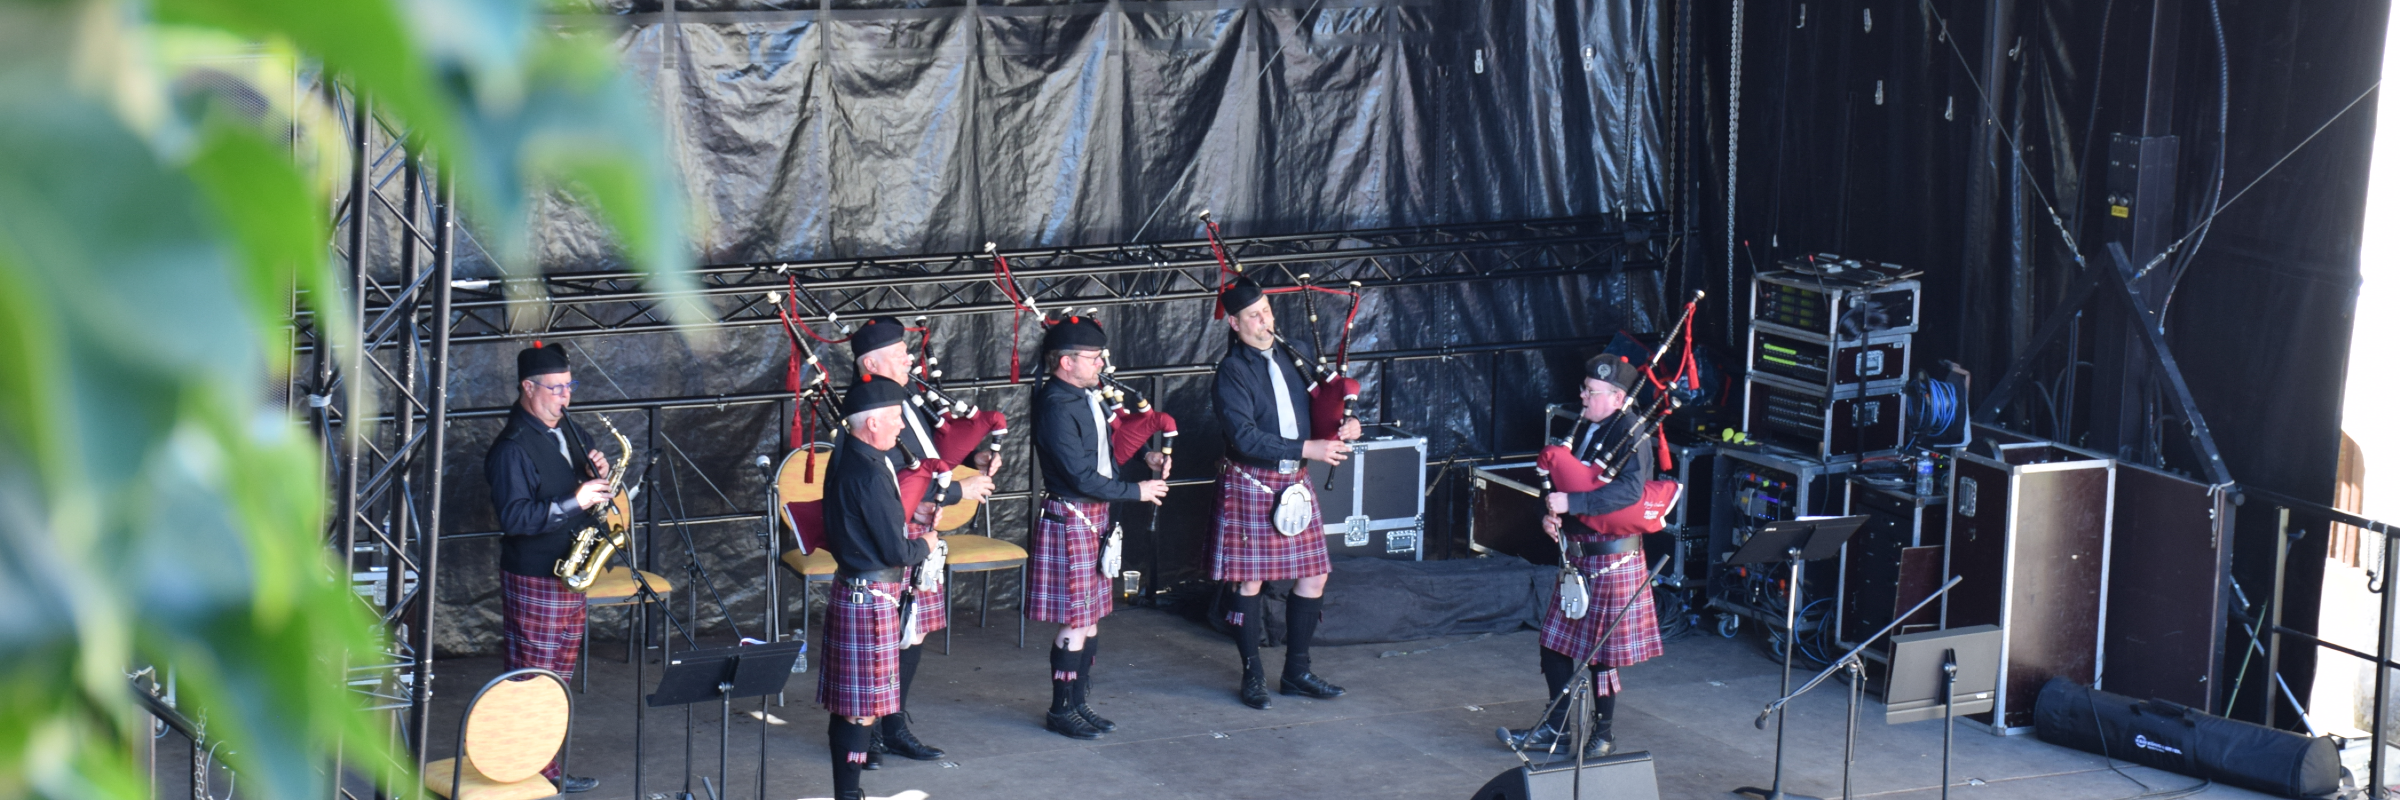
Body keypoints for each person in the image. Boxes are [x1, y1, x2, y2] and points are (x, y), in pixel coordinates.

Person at [846, 316, 999, 766]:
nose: (909, 359)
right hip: (895, 529)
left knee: (911, 634)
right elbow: (898, 476)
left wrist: (977, 455)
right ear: (870, 362)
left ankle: (895, 726)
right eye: (899, 354)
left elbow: (932, 443)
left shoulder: (907, 394)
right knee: (886, 637)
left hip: (921, 529)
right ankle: (867, 734)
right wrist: (957, 491)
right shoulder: (868, 411)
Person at [1497, 353, 1664, 759]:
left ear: (1618, 396)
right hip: (1577, 554)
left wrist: (1570, 502)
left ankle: (1603, 735)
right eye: (1584, 389)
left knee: (1601, 655)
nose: (1583, 396)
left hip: (1613, 558)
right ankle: (1556, 729)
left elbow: (1629, 493)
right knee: (1554, 644)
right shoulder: (1586, 428)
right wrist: (1547, 514)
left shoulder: (1633, 434)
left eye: (1591, 391)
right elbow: (1557, 482)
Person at [1209, 276, 1361, 710]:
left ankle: (1297, 671)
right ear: (1235, 324)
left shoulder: (1295, 353)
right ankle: (1252, 673)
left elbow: (1324, 400)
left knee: (1315, 575)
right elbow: (1243, 437)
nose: (1265, 321)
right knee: (1249, 580)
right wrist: (1306, 447)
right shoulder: (1232, 373)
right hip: (1253, 480)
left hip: (1295, 480)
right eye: (1255, 316)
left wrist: (1346, 425)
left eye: (1268, 311)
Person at [1027, 314, 1169, 738]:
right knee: (1075, 619)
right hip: (1071, 514)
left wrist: (1147, 456)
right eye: (1092, 358)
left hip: (1095, 516)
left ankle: (1078, 703)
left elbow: (1113, 434)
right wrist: (1138, 491)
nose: (1100, 365)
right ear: (1065, 362)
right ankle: (1059, 709)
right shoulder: (1054, 405)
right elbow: (1079, 477)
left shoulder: (1088, 394)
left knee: (1089, 619)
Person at [482, 341, 609, 794]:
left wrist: (597, 470)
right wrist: (576, 498)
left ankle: (547, 771)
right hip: (536, 574)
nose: (565, 396)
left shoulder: (571, 431)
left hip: (570, 572)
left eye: (569, 386)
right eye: (555, 388)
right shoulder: (511, 448)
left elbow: (584, 485)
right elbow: (516, 519)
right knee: (531, 679)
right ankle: (520, 770)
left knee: (557, 681)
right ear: (527, 388)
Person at [816, 375, 924, 800]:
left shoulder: (855, 457)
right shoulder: (868, 471)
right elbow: (896, 549)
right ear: (872, 423)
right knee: (859, 712)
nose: (902, 426)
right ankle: (848, 795)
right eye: (896, 417)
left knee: (854, 709)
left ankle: (849, 793)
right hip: (869, 597)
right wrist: (928, 543)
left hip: (856, 592)